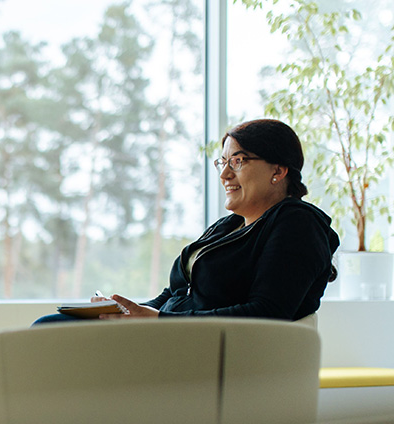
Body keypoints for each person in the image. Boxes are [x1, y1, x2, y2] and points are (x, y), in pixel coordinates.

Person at [34, 118, 340, 324]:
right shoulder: (227, 227)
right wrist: (126, 310)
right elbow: (176, 294)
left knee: (52, 329)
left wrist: (159, 321)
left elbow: (267, 312)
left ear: (279, 170)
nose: (224, 174)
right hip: (174, 335)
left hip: (200, 347)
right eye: (223, 162)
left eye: (238, 161)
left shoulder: (296, 224)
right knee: (55, 324)